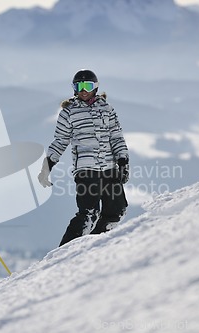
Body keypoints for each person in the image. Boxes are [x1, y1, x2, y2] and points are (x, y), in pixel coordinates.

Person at [38, 69, 129, 246]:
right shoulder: (69, 112)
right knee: (89, 214)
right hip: (86, 170)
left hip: (109, 168)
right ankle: (63, 251)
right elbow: (60, 141)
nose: (83, 90)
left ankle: (93, 245)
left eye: (87, 85)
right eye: (78, 86)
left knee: (117, 212)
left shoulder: (107, 109)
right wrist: (46, 167)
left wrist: (123, 162)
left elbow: (116, 137)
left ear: (95, 87)